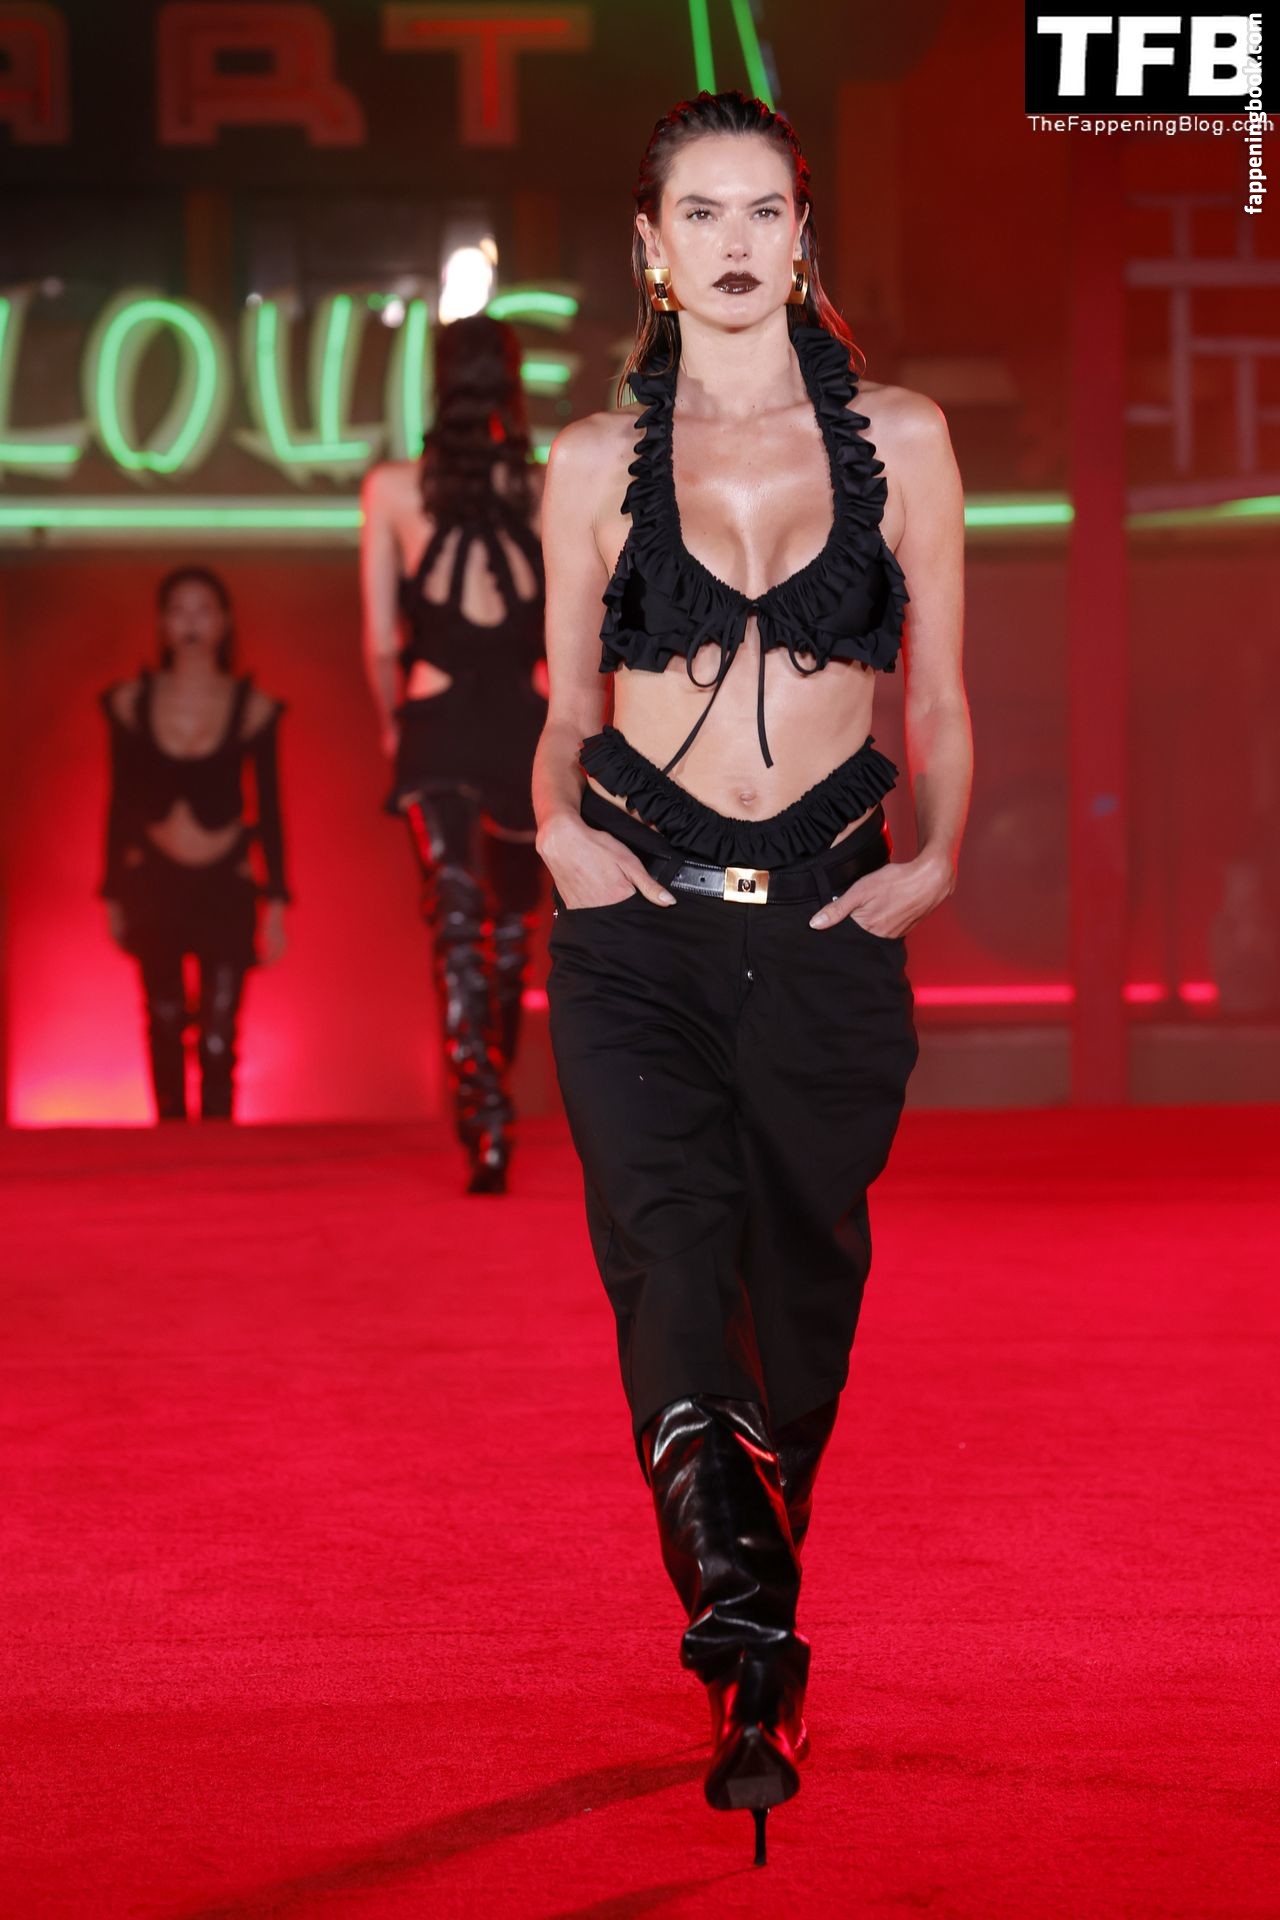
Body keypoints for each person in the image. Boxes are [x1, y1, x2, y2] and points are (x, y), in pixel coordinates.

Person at [534, 90, 972, 1862]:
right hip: (635, 919)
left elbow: (942, 693)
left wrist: (939, 857)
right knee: (668, 1253)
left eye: (763, 211)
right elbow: (564, 705)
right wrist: (555, 828)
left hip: (828, 928)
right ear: (651, 248)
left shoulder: (906, 437)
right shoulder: (590, 460)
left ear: (803, 237)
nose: (733, 242)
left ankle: (752, 1615)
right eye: (699, 214)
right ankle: (744, 1637)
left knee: (797, 1309)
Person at [361, 312, 548, 1195]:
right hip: (524, 719)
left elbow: (378, 641)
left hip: (435, 718)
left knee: (457, 917)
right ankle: (490, 1093)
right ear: (513, 384)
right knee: (508, 928)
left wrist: (391, 724)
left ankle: (483, 1111)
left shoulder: (393, 488)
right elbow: (574, 630)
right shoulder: (546, 486)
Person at [99, 566, 290, 1122]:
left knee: (219, 1028)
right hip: (154, 879)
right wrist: (111, 890)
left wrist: (277, 901)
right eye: (179, 611)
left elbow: (270, 809)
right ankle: (168, 1137)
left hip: (225, 879)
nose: (191, 624)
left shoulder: (253, 707)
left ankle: (218, 1140)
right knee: (162, 1016)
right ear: (162, 623)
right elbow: (118, 801)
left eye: (203, 610)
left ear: (224, 622)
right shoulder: (131, 702)